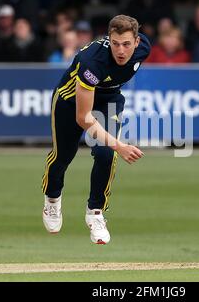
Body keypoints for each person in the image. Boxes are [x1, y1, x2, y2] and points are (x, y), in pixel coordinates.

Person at [41, 15, 150, 244]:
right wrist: (120, 145)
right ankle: (52, 199)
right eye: (116, 43)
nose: (121, 51)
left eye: (127, 44)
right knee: (63, 157)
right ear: (109, 39)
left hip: (109, 100)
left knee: (105, 153)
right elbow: (84, 117)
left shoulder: (144, 49)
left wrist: (113, 147)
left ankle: (96, 213)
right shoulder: (93, 62)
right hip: (70, 102)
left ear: (137, 42)